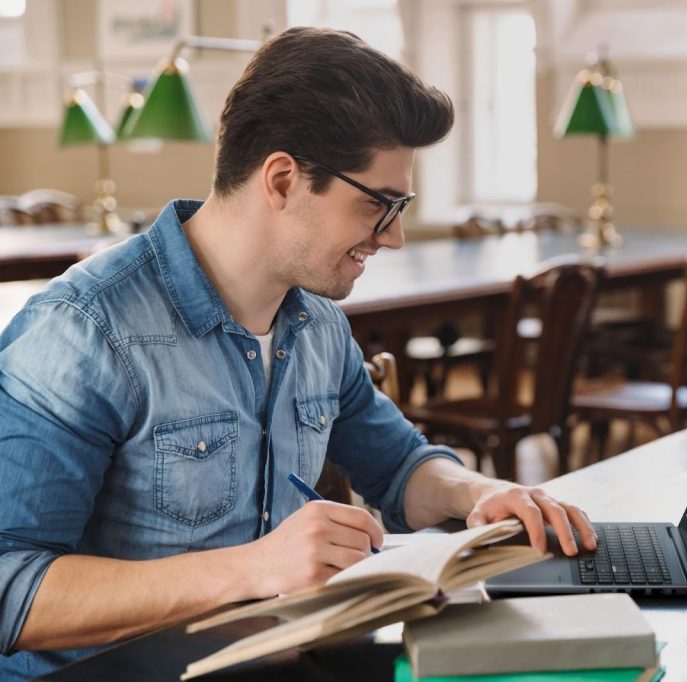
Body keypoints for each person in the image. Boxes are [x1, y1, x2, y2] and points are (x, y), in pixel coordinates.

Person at [0, 27, 596, 679]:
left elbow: (397, 464)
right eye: (377, 204)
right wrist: (255, 569)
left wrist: (481, 492)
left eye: (401, 206)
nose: (394, 236)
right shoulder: (82, 331)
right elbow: (11, 589)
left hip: (269, 659)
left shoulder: (317, 324)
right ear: (282, 179)